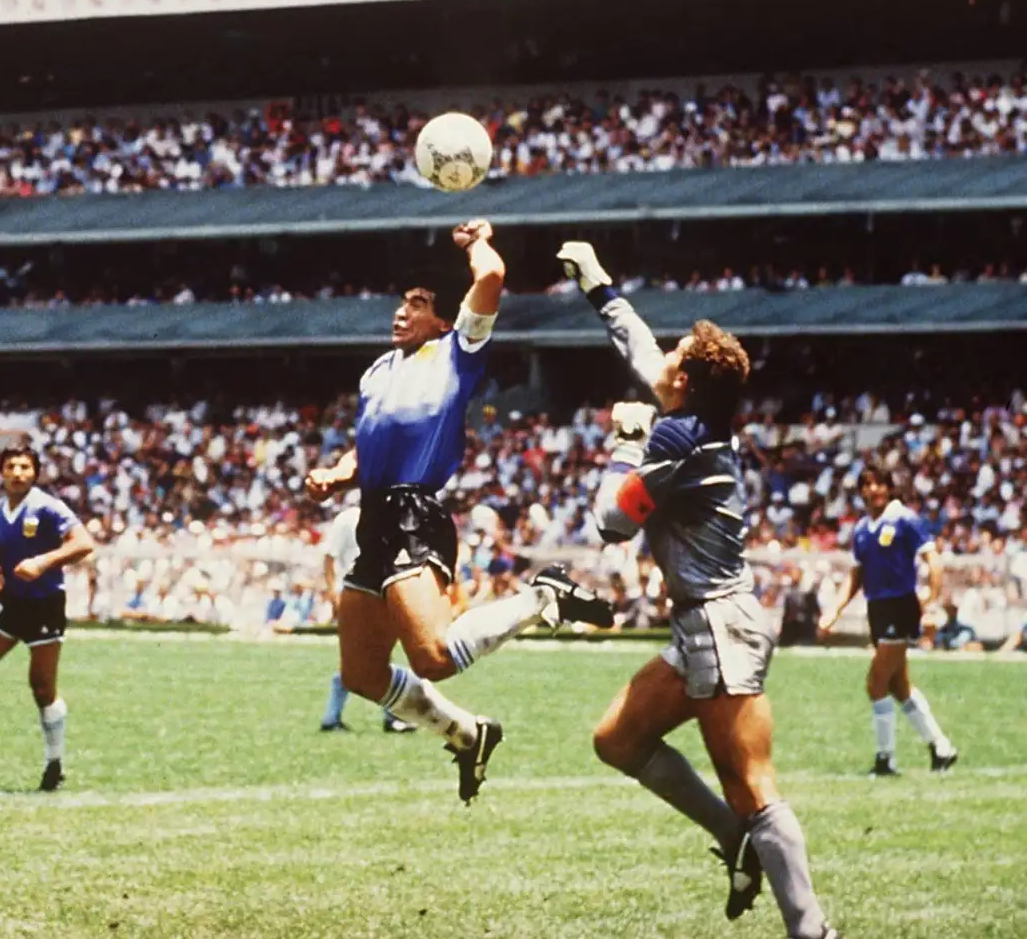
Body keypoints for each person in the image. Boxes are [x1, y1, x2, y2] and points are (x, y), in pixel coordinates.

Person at [560, 240, 839, 939]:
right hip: (703, 625)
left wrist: (626, 441)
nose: (665, 362)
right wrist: (600, 287)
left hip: (720, 626)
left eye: (677, 358)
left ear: (684, 385)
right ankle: (736, 843)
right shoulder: (694, 421)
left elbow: (610, 523)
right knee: (617, 739)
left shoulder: (679, 441)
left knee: (751, 784)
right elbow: (646, 352)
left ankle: (813, 930)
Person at [305, 220, 613, 804]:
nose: (401, 313)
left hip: (413, 513)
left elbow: (492, 275)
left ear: (443, 319)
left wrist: (476, 243)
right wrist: (337, 473)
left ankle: (541, 598)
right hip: (373, 515)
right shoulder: (378, 371)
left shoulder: (456, 350)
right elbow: (368, 443)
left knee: (436, 657)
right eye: (401, 304)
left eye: (417, 305)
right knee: (362, 675)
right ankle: (469, 734)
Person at [0, 443, 96, 792]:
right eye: (11, 467)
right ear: (1, 472)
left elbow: (84, 543)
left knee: (42, 687)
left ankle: (55, 761)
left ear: (35, 472)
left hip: (46, 603)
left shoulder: (48, 507)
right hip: (12, 601)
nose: (18, 473)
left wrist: (42, 563)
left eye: (25, 467)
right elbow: (4, 551)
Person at [819, 466, 958, 775]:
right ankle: (941, 747)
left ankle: (886, 759)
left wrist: (931, 603)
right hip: (877, 608)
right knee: (898, 685)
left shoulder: (905, 519)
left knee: (876, 683)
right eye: (866, 485)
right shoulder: (862, 530)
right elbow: (856, 576)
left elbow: (933, 561)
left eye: (878, 483)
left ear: (888, 488)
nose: (872, 490)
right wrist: (835, 610)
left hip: (900, 606)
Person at [318, 496, 415, 733]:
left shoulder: (388, 522)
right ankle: (388, 717)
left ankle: (337, 717)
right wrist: (333, 592)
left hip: (376, 595)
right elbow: (329, 557)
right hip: (355, 594)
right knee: (362, 658)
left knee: (373, 657)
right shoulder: (349, 519)